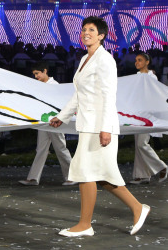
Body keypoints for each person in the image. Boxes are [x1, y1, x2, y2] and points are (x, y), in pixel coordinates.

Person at [50, 17, 150, 237]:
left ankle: (86, 224)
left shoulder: (105, 60)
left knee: (88, 172)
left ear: (102, 35)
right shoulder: (86, 58)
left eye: (92, 30)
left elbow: (108, 96)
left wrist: (105, 128)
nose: (86, 33)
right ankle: (137, 208)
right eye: (84, 29)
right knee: (101, 175)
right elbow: (79, 94)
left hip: (100, 126)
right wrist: (62, 116)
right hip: (89, 125)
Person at [19, 62, 75, 186]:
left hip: (55, 122)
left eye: (37, 73)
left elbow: (61, 104)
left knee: (60, 148)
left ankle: (72, 176)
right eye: (34, 74)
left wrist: (59, 118)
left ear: (45, 71)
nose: (36, 76)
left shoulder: (55, 86)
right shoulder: (39, 85)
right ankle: (33, 178)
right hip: (44, 122)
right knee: (41, 149)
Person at [129, 52, 167, 184]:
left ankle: (161, 166)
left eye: (140, 60)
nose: (137, 62)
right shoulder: (137, 77)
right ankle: (142, 175)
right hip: (137, 114)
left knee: (142, 144)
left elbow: (150, 96)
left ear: (147, 62)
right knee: (138, 144)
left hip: (147, 115)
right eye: (136, 60)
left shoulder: (152, 77)